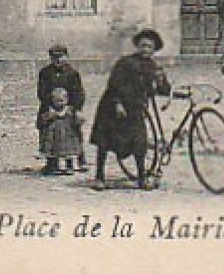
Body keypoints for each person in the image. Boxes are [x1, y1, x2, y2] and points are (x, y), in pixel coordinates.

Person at [90, 28, 170, 190]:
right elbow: (113, 84)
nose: (146, 49)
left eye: (150, 47)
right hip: (113, 107)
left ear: (154, 50)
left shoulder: (154, 67)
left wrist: (161, 80)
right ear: (138, 46)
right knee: (105, 143)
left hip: (135, 109)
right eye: (143, 45)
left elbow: (163, 90)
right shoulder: (125, 62)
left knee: (139, 143)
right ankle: (99, 176)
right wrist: (117, 103)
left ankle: (141, 178)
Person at [36, 43, 86, 172]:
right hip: (50, 107)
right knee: (48, 132)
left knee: (72, 132)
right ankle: (51, 162)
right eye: (54, 57)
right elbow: (41, 92)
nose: (58, 60)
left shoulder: (73, 73)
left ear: (67, 57)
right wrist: (50, 107)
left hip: (69, 108)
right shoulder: (45, 73)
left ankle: (76, 161)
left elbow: (78, 93)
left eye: (61, 56)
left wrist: (74, 108)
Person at [38, 86, 84, 175]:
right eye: (57, 101)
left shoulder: (69, 110)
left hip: (67, 135)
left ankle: (69, 166)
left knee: (68, 153)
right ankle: (54, 166)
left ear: (66, 100)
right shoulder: (51, 111)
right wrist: (48, 117)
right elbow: (44, 119)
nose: (60, 103)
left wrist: (78, 119)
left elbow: (79, 119)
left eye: (62, 101)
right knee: (54, 151)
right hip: (54, 136)